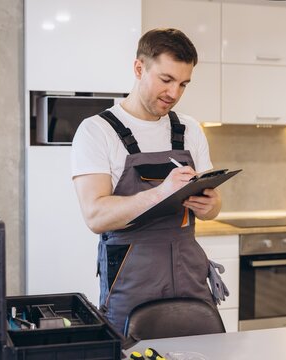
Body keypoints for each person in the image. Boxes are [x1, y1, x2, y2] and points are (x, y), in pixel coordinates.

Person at [71, 28, 224, 335]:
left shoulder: (189, 129)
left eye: (183, 84)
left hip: (190, 279)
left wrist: (209, 205)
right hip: (130, 283)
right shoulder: (97, 131)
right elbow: (96, 216)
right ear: (139, 68)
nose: (174, 93)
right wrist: (162, 192)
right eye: (166, 80)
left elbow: (214, 208)